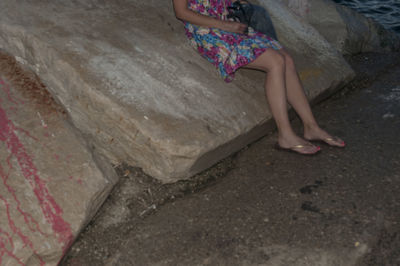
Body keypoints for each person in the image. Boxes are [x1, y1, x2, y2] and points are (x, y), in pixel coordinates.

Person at [172, 0, 345, 155]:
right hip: (208, 33)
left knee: (288, 61)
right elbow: (181, 12)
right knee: (276, 62)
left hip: (230, 26)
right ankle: (286, 136)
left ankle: (311, 127)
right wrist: (225, 25)